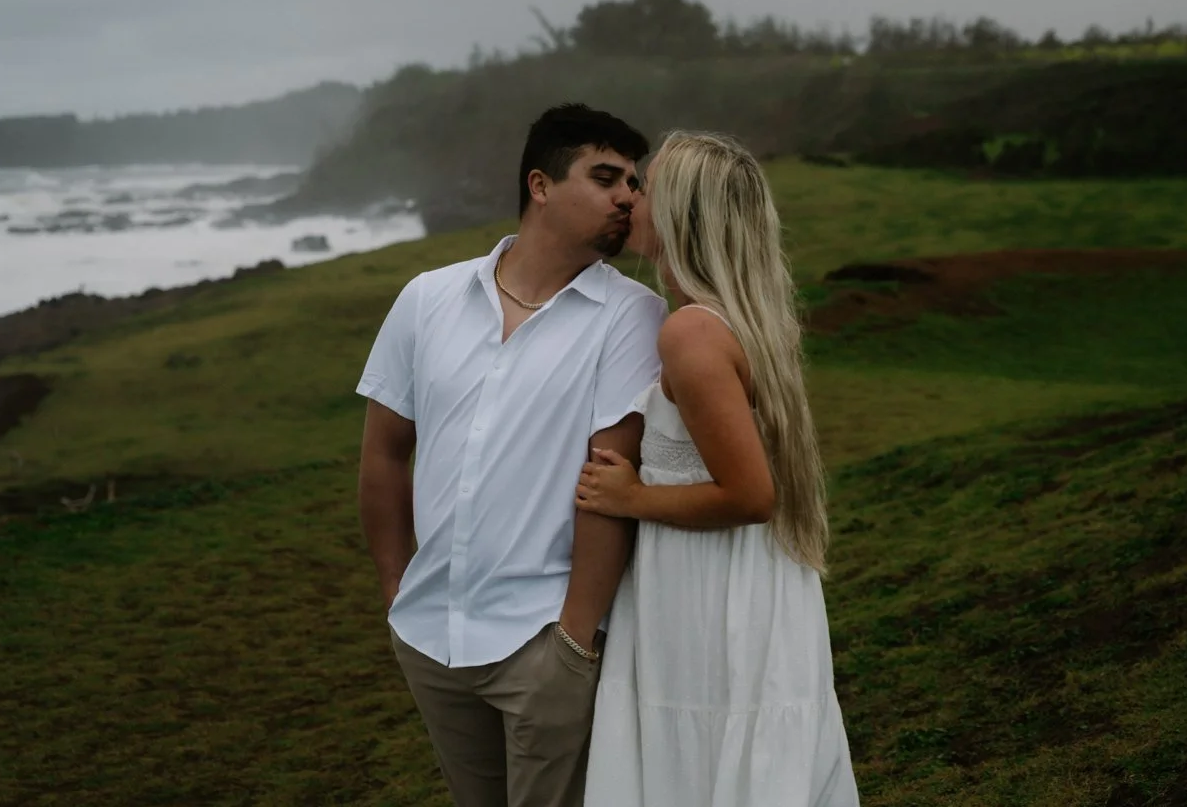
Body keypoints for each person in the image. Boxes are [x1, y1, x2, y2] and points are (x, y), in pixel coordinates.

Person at [356, 103, 668, 807]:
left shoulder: (632, 316)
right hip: (428, 633)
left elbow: (608, 480)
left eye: (633, 182)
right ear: (540, 185)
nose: (628, 196)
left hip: (544, 640)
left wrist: (574, 641)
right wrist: (394, 589)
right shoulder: (426, 299)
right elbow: (383, 454)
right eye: (606, 176)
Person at [576, 131, 860, 806]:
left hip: (711, 592)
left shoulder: (691, 333)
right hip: (745, 578)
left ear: (680, 212)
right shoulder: (740, 319)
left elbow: (752, 494)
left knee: (703, 757)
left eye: (643, 187)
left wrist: (632, 496)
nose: (628, 198)